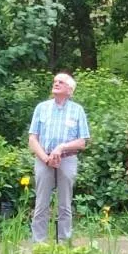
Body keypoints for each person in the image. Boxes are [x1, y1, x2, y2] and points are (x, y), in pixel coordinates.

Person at [28, 73, 91, 243]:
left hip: (67, 159)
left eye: (61, 82)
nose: (56, 84)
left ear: (70, 90)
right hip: (43, 159)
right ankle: (39, 245)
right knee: (41, 204)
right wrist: (46, 158)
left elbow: (82, 141)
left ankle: (64, 244)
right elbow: (32, 138)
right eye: (55, 81)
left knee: (65, 204)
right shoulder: (41, 107)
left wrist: (62, 147)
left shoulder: (77, 110)